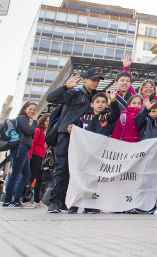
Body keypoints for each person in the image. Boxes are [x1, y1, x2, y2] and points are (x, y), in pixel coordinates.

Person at [46, 69, 103, 214]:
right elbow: (51, 98)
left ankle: (80, 203)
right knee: (63, 169)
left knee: (85, 171)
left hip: (87, 139)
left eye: (98, 80)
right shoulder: (75, 93)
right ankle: (55, 202)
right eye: (93, 79)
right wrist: (66, 87)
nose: (96, 82)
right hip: (67, 136)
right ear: (85, 80)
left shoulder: (98, 97)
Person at [3, 102, 37, 208]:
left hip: (23, 149)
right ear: (25, 108)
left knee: (26, 174)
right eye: (30, 109)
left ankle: (16, 201)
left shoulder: (26, 120)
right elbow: (29, 131)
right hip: (20, 148)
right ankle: (7, 201)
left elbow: (30, 133)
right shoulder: (22, 118)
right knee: (15, 175)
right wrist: (35, 121)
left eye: (34, 110)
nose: (32, 111)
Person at [25, 113, 49, 208]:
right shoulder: (38, 130)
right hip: (35, 155)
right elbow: (32, 143)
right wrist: (29, 157)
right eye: (47, 121)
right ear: (43, 121)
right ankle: (25, 198)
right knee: (32, 177)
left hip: (42, 157)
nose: (48, 123)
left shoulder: (46, 132)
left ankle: (37, 200)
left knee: (39, 179)